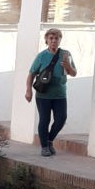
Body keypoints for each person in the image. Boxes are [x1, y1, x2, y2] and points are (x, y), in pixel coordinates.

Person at [25, 27, 76, 156]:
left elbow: (74, 73)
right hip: (43, 95)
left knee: (61, 119)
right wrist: (28, 91)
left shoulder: (66, 54)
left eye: (56, 38)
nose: (54, 41)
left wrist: (67, 66)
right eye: (51, 38)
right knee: (45, 120)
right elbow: (31, 74)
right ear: (46, 40)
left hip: (60, 94)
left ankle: (49, 140)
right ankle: (44, 147)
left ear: (60, 40)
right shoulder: (41, 56)